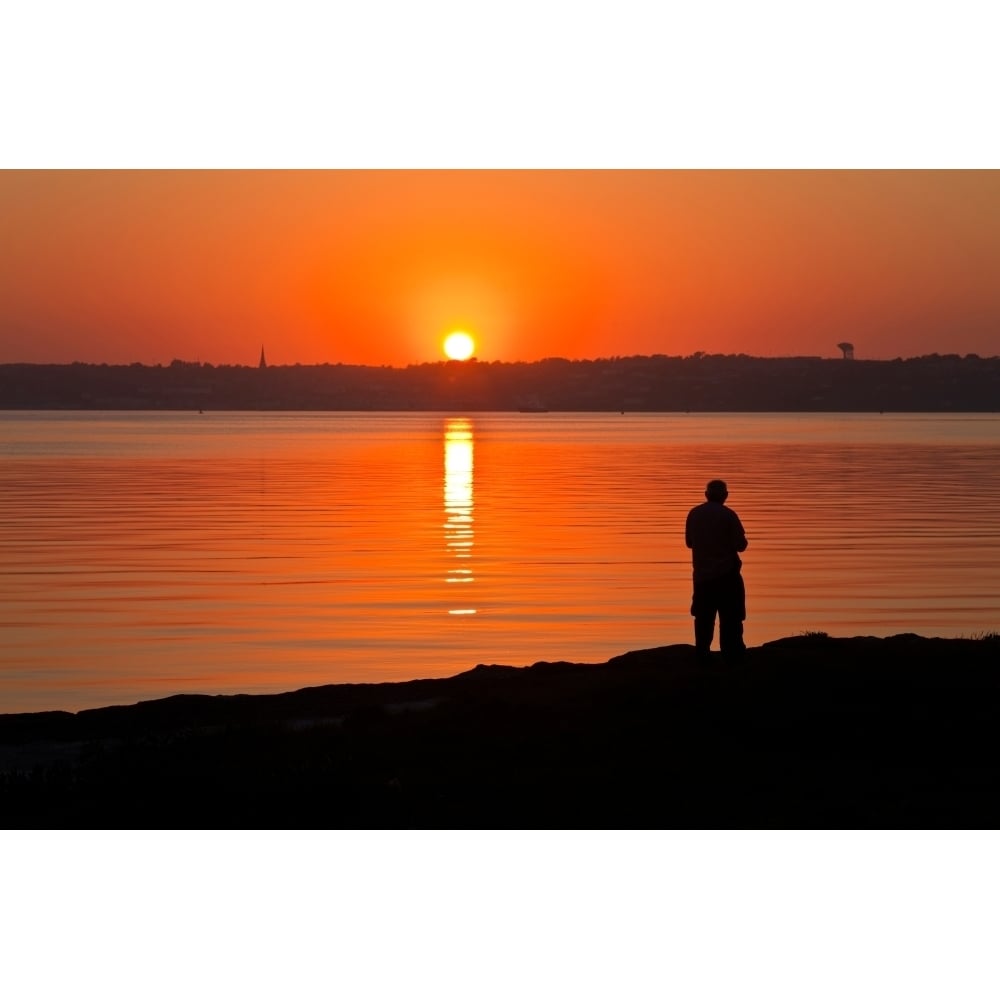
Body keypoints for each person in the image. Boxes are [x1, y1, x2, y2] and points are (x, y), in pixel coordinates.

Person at [685, 479, 748, 662]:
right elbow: (741, 545)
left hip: (702, 577)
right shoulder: (728, 515)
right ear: (725, 496)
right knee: (731, 618)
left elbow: (689, 543)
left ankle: (702, 654)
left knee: (703, 618)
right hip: (727, 576)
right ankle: (732, 656)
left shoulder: (694, 514)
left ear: (706, 495)